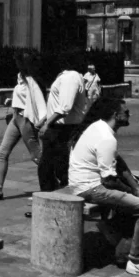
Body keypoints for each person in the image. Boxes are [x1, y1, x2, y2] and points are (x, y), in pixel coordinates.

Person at [67, 98, 139, 277]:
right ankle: (136, 261)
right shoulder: (106, 138)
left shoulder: (99, 127)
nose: (130, 114)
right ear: (116, 115)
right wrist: (135, 192)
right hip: (90, 189)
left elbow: (118, 163)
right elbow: (109, 181)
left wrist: (137, 186)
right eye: (127, 112)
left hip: (86, 183)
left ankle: (116, 234)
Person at [0, 52, 46, 201]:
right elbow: (24, 97)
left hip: (25, 120)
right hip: (15, 118)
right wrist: (12, 101)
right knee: (2, 152)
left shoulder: (32, 81)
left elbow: (38, 102)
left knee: (37, 156)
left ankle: (52, 185)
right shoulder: (21, 78)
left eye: (18, 62)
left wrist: (41, 121)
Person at [36, 55, 88, 195]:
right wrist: (44, 120)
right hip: (59, 126)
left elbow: (65, 107)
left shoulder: (70, 77)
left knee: (52, 166)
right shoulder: (67, 76)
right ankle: (50, 198)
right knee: (51, 165)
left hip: (62, 129)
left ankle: (50, 200)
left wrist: (47, 124)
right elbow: (57, 105)